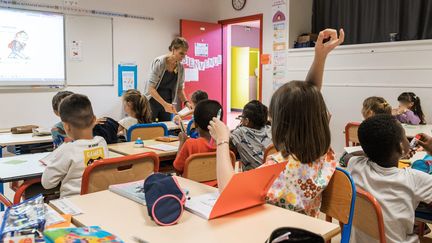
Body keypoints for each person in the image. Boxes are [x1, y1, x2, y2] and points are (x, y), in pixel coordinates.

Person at [208, 29, 344, 217]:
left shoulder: (280, 166)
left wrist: (222, 140)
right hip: (306, 232)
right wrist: (320, 57)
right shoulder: (324, 155)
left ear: (282, 125)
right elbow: (308, 100)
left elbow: (228, 191)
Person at [346, 115, 432, 243]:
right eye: (405, 136)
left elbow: (347, 156)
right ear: (400, 146)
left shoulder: (355, 165)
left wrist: (393, 153)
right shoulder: (414, 179)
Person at [41, 94, 109, 198]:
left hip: (72, 205)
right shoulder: (102, 142)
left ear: (66, 126)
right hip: (98, 199)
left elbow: (47, 183)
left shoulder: (67, 149)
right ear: (94, 120)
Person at [144, 37, 193, 122]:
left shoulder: (180, 68)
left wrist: (186, 102)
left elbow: (180, 89)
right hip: (152, 101)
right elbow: (151, 89)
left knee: (165, 129)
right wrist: (164, 104)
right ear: (173, 49)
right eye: (181, 53)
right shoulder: (160, 63)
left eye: (185, 54)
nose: (183, 57)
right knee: (150, 129)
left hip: (168, 103)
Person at [173, 100, 222, 174]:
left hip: (191, 185)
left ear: (195, 124)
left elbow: (177, 169)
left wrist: (182, 142)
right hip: (217, 185)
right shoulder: (224, 144)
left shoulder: (190, 144)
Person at [230, 100, 272, 171]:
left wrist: (238, 128)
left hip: (251, 177)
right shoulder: (270, 129)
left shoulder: (240, 133)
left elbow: (227, 144)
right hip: (271, 173)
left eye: (242, 117)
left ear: (246, 121)